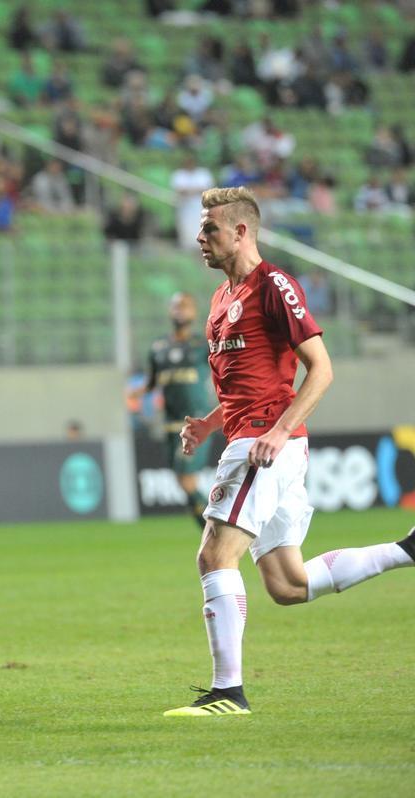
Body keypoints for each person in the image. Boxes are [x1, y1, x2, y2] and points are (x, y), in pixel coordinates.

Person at [164, 187, 414, 717]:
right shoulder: (221, 297)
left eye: (209, 228)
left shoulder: (273, 284)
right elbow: (248, 383)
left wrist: (278, 432)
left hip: (263, 444)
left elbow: (321, 368)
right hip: (256, 438)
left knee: (214, 555)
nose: (200, 237)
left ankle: (228, 693)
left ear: (240, 232)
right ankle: (408, 550)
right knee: (287, 583)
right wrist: (208, 424)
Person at [127, 292, 212, 530]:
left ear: (194, 312)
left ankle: (215, 528)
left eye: (185, 306)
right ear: (169, 311)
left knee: (186, 480)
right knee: (181, 481)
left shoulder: (202, 346)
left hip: (196, 422)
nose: (180, 310)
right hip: (171, 423)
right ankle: (212, 528)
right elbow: (153, 382)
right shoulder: (159, 348)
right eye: (176, 306)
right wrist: (138, 392)